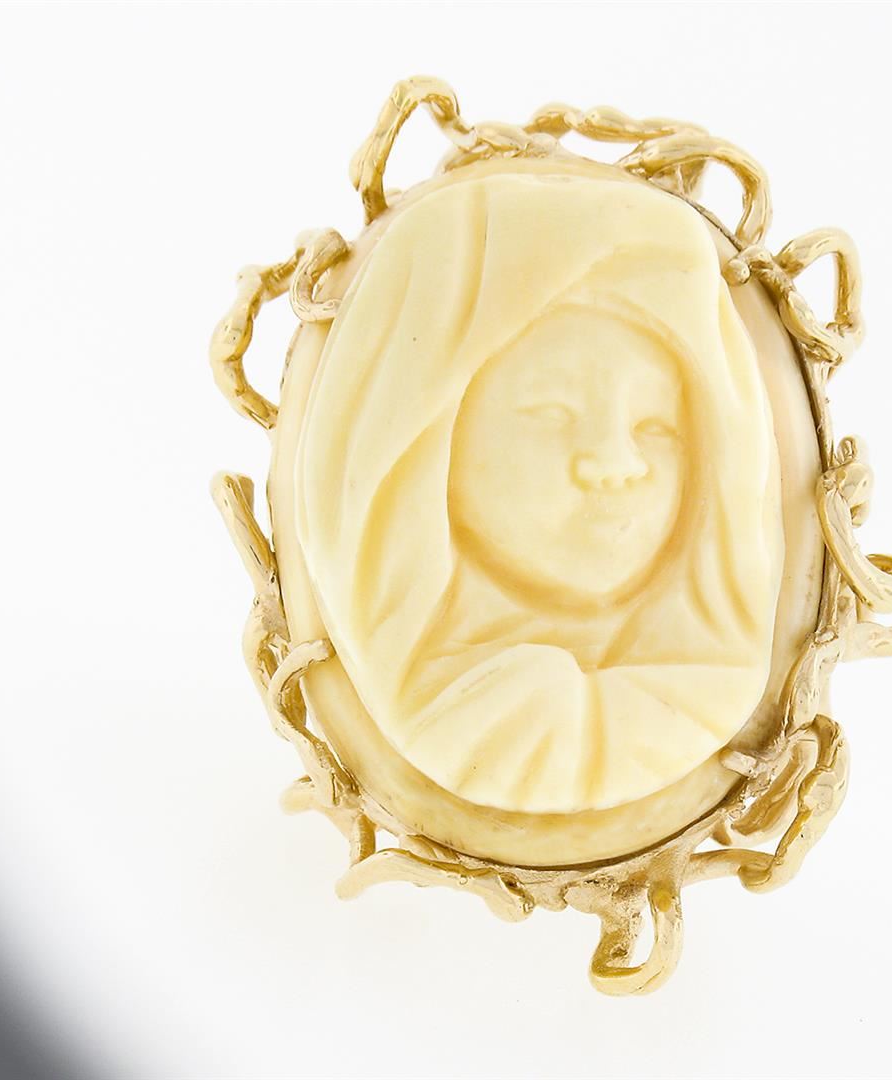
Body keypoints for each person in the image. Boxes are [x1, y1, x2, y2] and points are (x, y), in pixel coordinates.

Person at [297, 164, 784, 816]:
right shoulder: (440, 705)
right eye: (551, 414)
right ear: (428, 443)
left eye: (657, 427)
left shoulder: (708, 693)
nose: (615, 462)